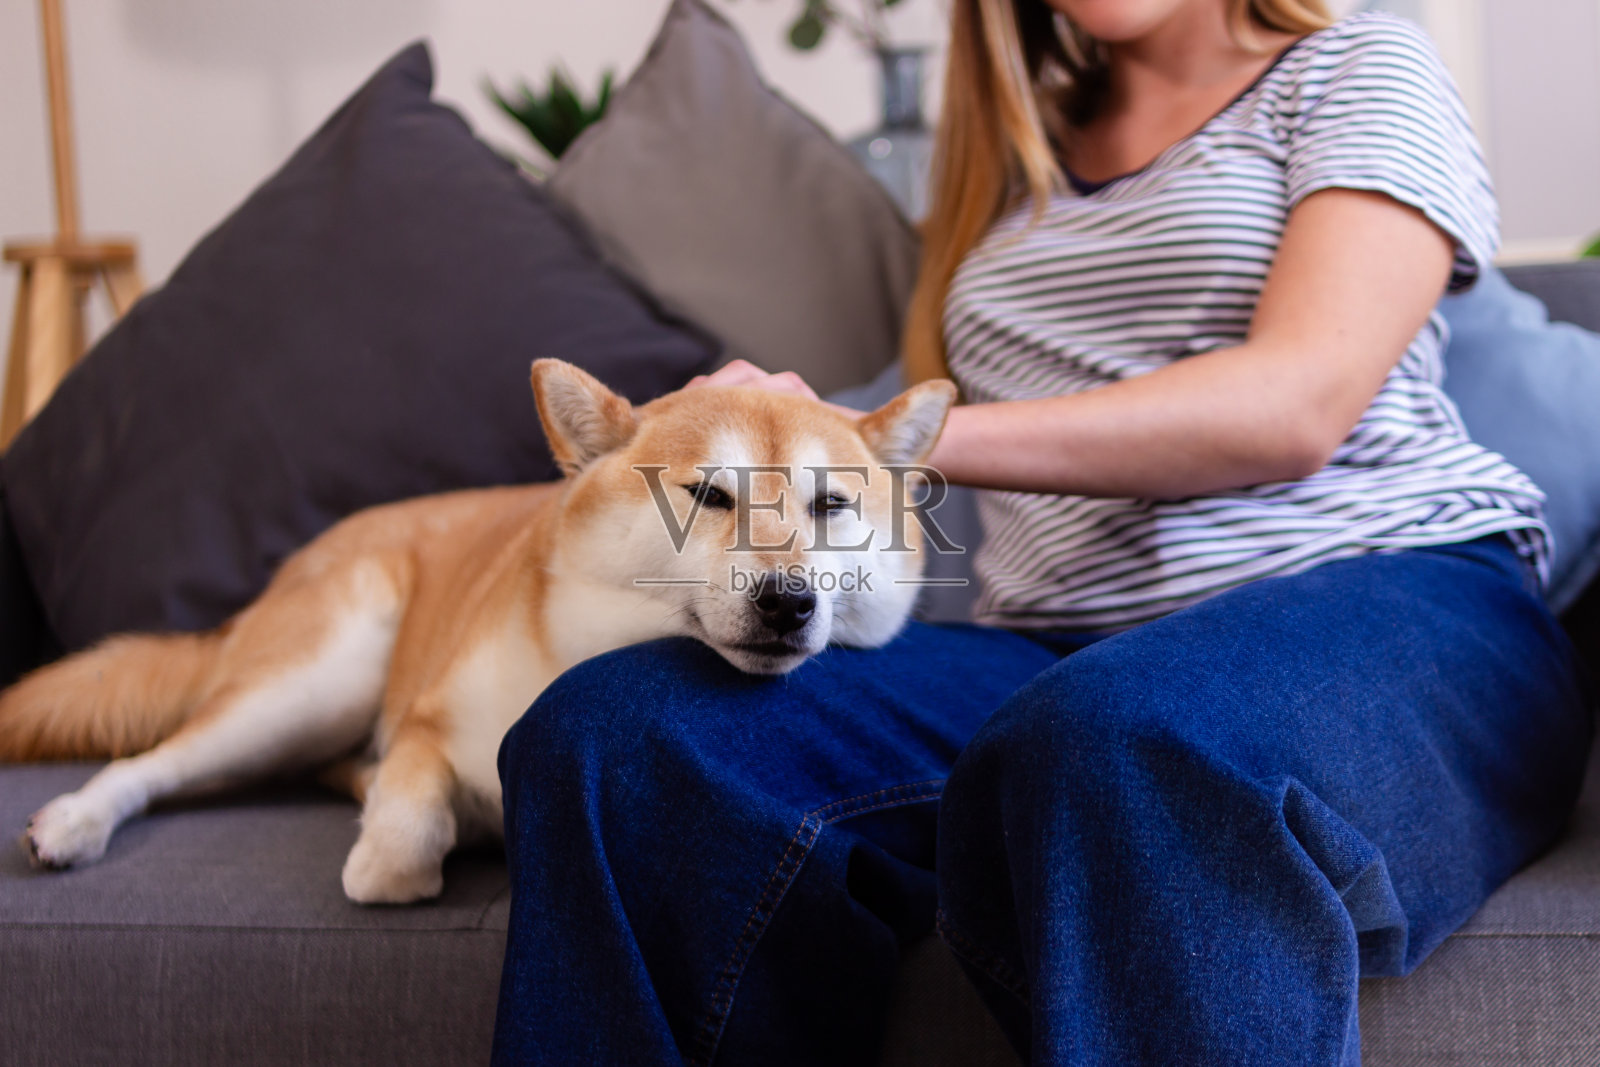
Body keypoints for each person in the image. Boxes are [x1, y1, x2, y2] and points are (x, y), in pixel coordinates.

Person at [490, 1, 1591, 1063]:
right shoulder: (1008, 155)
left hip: (1396, 601)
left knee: (1122, 738)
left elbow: (1295, 404)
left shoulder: (1360, 69)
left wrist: (877, 442)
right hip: (1053, 649)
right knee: (616, 733)